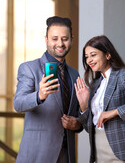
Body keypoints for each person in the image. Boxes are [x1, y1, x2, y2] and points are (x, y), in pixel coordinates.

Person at [75, 35, 125, 163]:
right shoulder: (95, 84)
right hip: (98, 150)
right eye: (86, 57)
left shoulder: (123, 75)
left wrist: (114, 112)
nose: (89, 60)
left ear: (108, 55)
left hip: (122, 149)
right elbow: (89, 128)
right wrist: (84, 106)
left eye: (93, 55)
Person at [14, 16, 83, 163]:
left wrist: (77, 123)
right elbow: (18, 104)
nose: (60, 43)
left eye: (65, 38)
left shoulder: (74, 74)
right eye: (55, 38)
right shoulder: (29, 68)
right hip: (37, 155)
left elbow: (77, 115)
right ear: (46, 39)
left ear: (71, 39)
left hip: (67, 155)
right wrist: (39, 95)